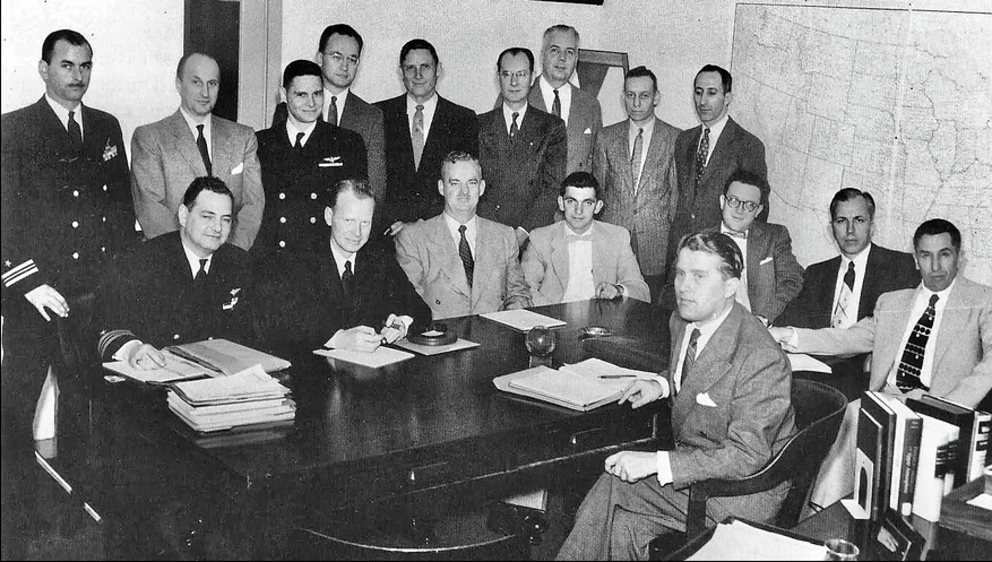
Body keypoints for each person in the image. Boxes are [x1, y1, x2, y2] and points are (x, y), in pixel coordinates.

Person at [557, 231, 796, 560]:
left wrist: (656, 463)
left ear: (730, 287)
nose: (683, 286)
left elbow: (745, 456)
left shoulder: (760, 356)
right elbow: (694, 369)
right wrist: (662, 384)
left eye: (699, 276)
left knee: (615, 482)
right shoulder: (685, 319)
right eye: (681, 273)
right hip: (701, 469)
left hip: (740, 492)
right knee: (624, 526)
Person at [1, 28, 134, 559]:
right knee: (17, 407)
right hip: (35, 295)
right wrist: (30, 284)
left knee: (88, 402)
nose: (77, 76)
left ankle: (83, 506)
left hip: (91, 294)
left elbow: (120, 211)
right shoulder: (13, 129)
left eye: (85, 66)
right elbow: (4, 217)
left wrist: (121, 281)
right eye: (66, 66)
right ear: (43, 69)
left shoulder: (105, 126)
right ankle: (16, 513)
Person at [769, 218, 992, 509]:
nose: (935, 266)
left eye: (944, 254)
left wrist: (948, 408)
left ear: (959, 257)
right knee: (847, 419)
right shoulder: (892, 302)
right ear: (915, 259)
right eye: (926, 255)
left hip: (942, 410)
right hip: (885, 403)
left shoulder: (983, 300)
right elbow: (847, 339)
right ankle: (819, 524)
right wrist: (789, 335)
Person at [254, 178, 431, 356]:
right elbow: (278, 324)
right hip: (314, 372)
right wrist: (338, 339)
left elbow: (421, 311)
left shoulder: (379, 259)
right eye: (349, 221)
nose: (357, 233)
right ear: (329, 217)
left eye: (365, 223)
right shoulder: (298, 259)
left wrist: (400, 324)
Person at [95, 177, 252, 369]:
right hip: (157, 379)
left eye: (225, 219)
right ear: (184, 216)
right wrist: (133, 349)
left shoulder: (239, 263)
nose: (218, 228)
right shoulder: (140, 262)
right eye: (207, 217)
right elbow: (106, 326)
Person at [131, 52, 264, 250]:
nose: (205, 93)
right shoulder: (151, 137)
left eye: (212, 84)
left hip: (229, 260)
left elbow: (253, 205)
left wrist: (231, 254)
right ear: (179, 84)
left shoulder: (243, 137)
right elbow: (152, 210)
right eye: (196, 82)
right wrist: (188, 258)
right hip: (174, 261)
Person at [395, 151, 532, 319]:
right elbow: (408, 303)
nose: (464, 192)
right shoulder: (413, 237)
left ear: (481, 188)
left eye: (471, 183)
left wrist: (507, 323)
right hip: (438, 339)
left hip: (494, 338)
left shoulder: (504, 236)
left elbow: (519, 294)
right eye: (455, 183)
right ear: (441, 187)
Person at [255, 59, 368, 255]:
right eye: (301, 95)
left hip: (322, 261)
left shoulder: (346, 142)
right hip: (273, 260)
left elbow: (355, 209)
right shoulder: (261, 143)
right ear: (283, 95)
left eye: (317, 94)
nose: (311, 103)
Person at [271, 24, 386, 211]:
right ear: (319, 58)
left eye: (352, 59)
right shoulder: (290, 107)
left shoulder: (371, 117)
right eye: (337, 57)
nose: (344, 66)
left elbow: (375, 189)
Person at [667, 65, 767, 270]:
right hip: (682, 252)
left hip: (721, 255)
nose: (703, 101)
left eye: (712, 93)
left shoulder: (748, 145)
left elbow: (757, 210)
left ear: (728, 97)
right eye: (698, 92)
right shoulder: (684, 140)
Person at [776, 188, 920, 329]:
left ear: (872, 227)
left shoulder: (899, 266)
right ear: (831, 230)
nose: (850, 230)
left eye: (859, 220)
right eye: (841, 221)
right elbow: (788, 323)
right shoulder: (816, 274)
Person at [594, 66, 681, 296]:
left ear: (656, 98)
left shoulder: (675, 138)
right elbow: (599, 192)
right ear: (623, 97)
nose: (636, 102)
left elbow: (675, 197)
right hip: (614, 239)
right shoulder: (605, 137)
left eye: (644, 96)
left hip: (656, 245)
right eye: (630, 95)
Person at [376, 39, 478, 234]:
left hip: (441, 232)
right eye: (410, 68)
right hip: (387, 232)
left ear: (438, 69)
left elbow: (464, 185)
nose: (418, 75)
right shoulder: (379, 114)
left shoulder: (463, 119)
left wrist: (422, 225)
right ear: (400, 73)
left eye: (425, 67)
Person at [477, 47, 566, 246]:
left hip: (532, 237)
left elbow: (552, 188)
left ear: (533, 77)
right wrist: (494, 233)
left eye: (521, 74)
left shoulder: (552, 127)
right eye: (507, 74)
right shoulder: (478, 125)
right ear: (498, 77)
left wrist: (523, 232)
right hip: (487, 235)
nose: (514, 82)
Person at [522, 172, 650, 305]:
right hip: (554, 318)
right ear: (561, 203)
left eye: (587, 203)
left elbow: (642, 290)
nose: (578, 211)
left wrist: (618, 290)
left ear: (598, 207)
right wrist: (553, 316)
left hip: (600, 321)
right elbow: (524, 289)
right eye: (571, 201)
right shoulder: (540, 238)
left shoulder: (617, 237)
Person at [498, 25, 601, 175]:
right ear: (542, 55)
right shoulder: (515, 97)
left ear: (576, 59)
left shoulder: (590, 105)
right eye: (555, 50)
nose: (562, 58)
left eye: (569, 52)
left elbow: (596, 166)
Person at [704, 171, 803, 326]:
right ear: (722, 201)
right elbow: (672, 290)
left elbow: (793, 281)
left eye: (749, 205)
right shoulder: (699, 239)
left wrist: (764, 318)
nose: (739, 210)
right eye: (733, 200)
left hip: (755, 328)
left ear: (758, 210)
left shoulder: (775, 237)